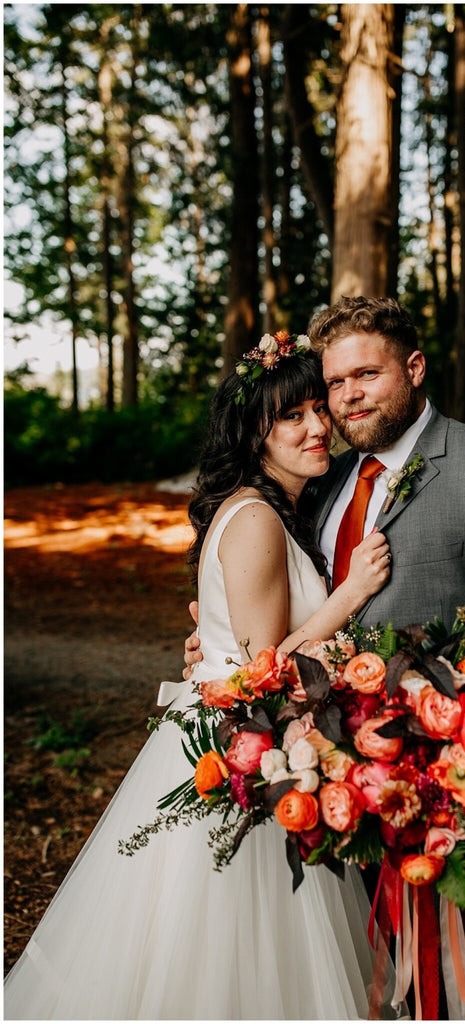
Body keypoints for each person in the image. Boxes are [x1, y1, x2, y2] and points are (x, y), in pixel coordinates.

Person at [185, 296, 465, 1020]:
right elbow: (274, 612)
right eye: (334, 383)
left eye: (366, 375)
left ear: (414, 367)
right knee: (357, 977)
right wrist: (217, 645)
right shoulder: (321, 483)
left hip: (443, 783)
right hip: (328, 778)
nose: (347, 398)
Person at [4, 338, 399, 1020]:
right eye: (291, 417)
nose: (317, 427)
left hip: (243, 735)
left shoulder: (273, 509)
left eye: (318, 408)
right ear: (253, 435)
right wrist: (351, 593)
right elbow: (261, 671)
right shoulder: (256, 518)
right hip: (235, 743)